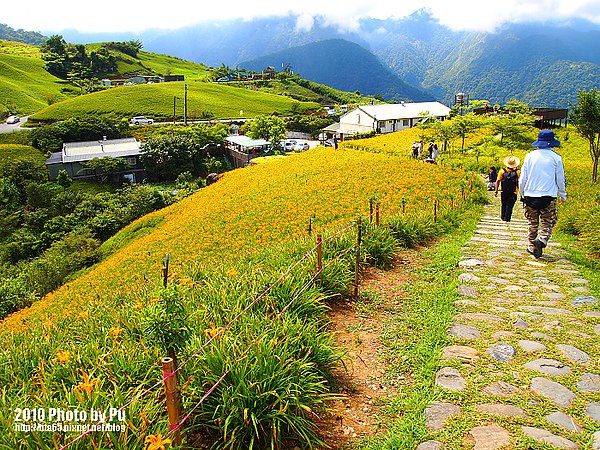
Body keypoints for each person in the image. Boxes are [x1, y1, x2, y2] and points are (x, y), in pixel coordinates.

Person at [518, 129, 567, 258]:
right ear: (552, 143)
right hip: (548, 195)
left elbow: (523, 178)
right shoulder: (556, 158)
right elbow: (560, 179)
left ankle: (531, 246)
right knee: (548, 220)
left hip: (530, 194)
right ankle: (542, 239)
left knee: (532, 222)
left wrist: (522, 192)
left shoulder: (529, 156)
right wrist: (562, 194)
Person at [495, 156, 520, 222]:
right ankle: (507, 218)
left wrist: (496, 191)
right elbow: (521, 181)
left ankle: (503, 217)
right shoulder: (517, 172)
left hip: (504, 191)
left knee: (504, 204)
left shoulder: (502, 171)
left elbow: (497, 181)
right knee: (510, 205)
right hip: (513, 192)